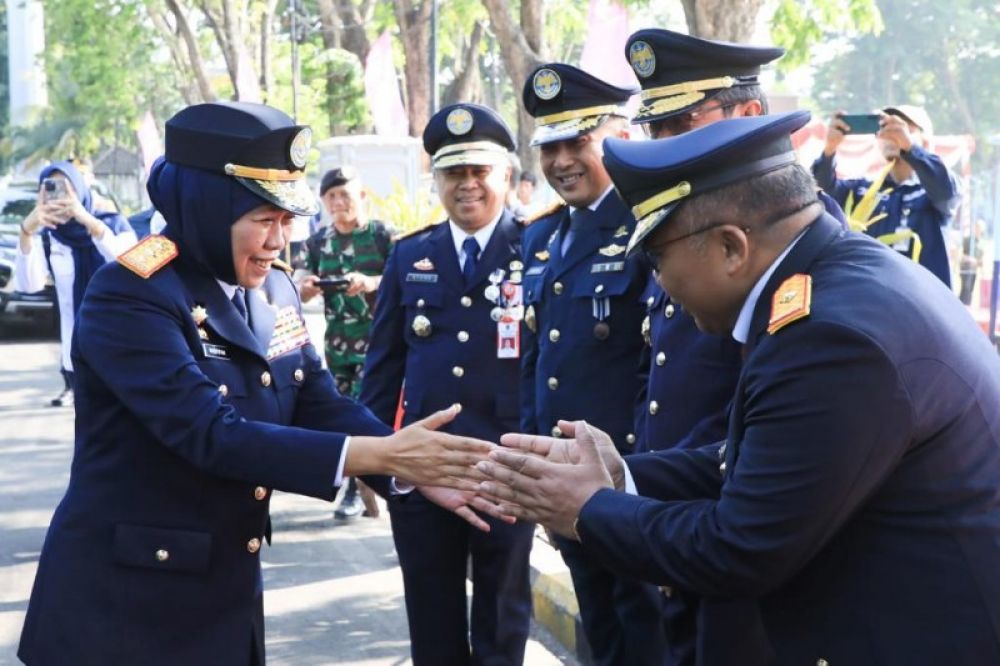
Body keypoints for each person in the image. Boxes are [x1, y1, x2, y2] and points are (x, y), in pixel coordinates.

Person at [475, 111, 1000, 665]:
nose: (659, 285)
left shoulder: (830, 336)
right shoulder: (833, 283)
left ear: (731, 247)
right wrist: (620, 474)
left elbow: (740, 547)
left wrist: (587, 508)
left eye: (657, 258)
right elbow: (766, 457)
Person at [17, 101, 495, 666]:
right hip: (127, 610)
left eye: (287, 223)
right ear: (207, 211)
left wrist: (399, 464)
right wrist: (384, 453)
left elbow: (313, 395)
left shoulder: (273, 289)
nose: (278, 242)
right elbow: (210, 433)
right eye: (263, 222)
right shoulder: (131, 293)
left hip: (224, 596)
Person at [623, 28, 817, 666]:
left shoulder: (790, 237)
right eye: (656, 128)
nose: (665, 146)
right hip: (679, 519)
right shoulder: (690, 223)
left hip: (744, 533)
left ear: (749, 115)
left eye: (682, 121)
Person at [359, 103, 533, 665]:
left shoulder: (537, 250)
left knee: (502, 627)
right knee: (431, 628)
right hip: (424, 472)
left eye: (480, 170)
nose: (468, 185)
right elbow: (380, 374)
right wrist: (379, 468)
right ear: (435, 180)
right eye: (454, 173)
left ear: (505, 174)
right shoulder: (411, 255)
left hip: (509, 471)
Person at [519, 63, 665, 665]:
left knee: (644, 631)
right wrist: (535, 465)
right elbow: (539, 361)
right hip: (565, 475)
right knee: (600, 633)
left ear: (618, 135)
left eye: (576, 141)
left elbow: (656, 366)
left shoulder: (645, 225)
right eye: (548, 147)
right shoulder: (544, 236)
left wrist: (638, 474)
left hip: (626, 476)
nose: (560, 161)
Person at [299, 166, 395, 520]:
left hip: (380, 345)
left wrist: (371, 282)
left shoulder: (383, 235)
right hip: (338, 346)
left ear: (362, 197)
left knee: (369, 414)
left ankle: (370, 489)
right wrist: (305, 286)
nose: (339, 202)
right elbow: (299, 279)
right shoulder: (319, 240)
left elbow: (406, 278)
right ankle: (357, 489)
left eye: (345, 195)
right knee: (344, 417)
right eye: (331, 196)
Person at [15, 160, 136, 407]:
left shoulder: (111, 224)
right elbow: (30, 285)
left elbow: (134, 264)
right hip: (76, 352)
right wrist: (26, 232)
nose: (59, 195)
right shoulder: (50, 236)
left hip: (121, 346)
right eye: (51, 187)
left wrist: (86, 219)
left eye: (66, 187)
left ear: (79, 188)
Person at [813, 105, 959, 286]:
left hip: (923, 304)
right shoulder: (862, 190)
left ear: (926, 141)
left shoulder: (934, 190)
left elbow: (946, 190)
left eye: (903, 128)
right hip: (875, 301)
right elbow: (821, 193)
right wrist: (829, 149)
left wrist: (910, 148)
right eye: (884, 128)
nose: (892, 135)